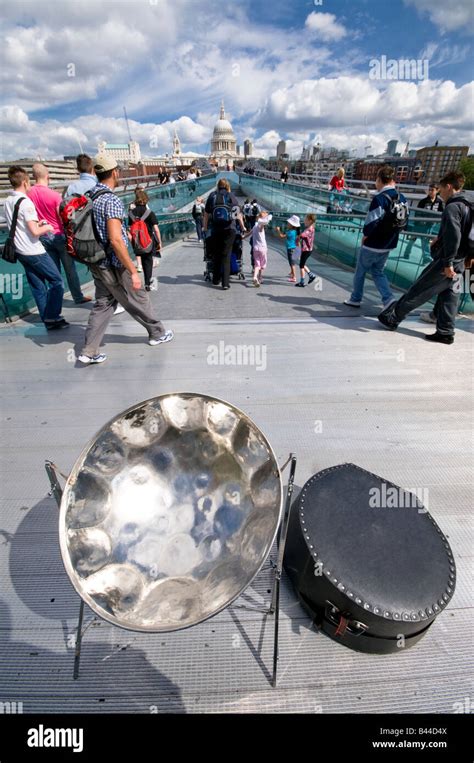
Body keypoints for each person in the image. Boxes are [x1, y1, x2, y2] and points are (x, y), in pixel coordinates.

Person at [78, 154, 173, 365]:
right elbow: (115, 239)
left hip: (94, 260)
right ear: (114, 173)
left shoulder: (88, 196)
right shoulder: (110, 199)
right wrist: (132, 269)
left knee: (103, 304)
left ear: (95, 173)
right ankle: (157, 333)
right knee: (137, 297)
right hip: (113, 262)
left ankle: (89, 351)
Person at [378, 171, 471, 344]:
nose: (440, 192)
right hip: (463, 259)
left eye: (441, 188)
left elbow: (454, 236)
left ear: (448, 186)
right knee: (451, 295)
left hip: (448, 260)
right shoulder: (468, 205)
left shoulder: (452, 207)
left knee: (421, 288)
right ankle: (445, 331)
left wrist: (448, 261)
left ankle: (393, 317)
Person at [4, 166, 66, 330]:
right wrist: (46, 227)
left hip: (20, 250)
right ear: (25, 182)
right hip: (34, 251)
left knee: (37, 285)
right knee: (57, 281)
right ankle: (53, 316)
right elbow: (35, 231)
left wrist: (37, 224)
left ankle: (47, 319)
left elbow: (21, 226)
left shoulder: (8, 201)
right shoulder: (26, 203)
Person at [344, 165, 407, 309]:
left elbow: (371, 222)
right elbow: (403, 221)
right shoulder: (402, 197)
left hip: (373, 244)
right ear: (393, 180)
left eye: (376, 181)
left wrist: (366, 235)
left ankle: (355, 298)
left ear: (379, 180)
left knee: (360, 272)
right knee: (378, 272)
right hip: (389, 244)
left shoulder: (379, 199)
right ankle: (388, 299)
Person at [27, 163, 91, 305]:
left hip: (42, 236)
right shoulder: (54, 195)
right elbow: (64, 217)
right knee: (70, 269)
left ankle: (56, 300)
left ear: (33, 176)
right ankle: (78, 297)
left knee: (53, 272)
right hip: (58, 235)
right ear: (47, 176)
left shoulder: (29, 194)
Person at [202, 178, 245, 290]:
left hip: (216, 229)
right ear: (227, 186)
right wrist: (242, 226)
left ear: (218, 186)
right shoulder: (231, 196)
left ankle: (216, 279)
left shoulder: (212, 196)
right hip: (229, 229)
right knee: (226, 255)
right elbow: (238, 214)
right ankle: (225, 283)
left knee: (216, 254)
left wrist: (205, 227)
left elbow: (206, 214)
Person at [128, 188, 162, 291]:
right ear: (146, 199)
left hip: (137, 242)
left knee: (143, 260)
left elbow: (129, 230)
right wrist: (159, 242)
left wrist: (133, 243)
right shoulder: (149, 213)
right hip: (149, 242)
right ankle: (148, 283)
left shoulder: (131, 213)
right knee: (148, 262)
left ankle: (147, 282)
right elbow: (156, 229)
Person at [402, 184, 444, 261]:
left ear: (437, 191)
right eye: (429, 190)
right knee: (412, 240)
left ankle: (426, 257)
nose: (430, 191)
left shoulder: (439, 202)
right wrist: (419, 221)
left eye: (432, 190)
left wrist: (436, 221)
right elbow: (417, 213)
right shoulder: (423, 201)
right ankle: (406, 253)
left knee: (425, 241)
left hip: (429, 225)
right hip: (418, 225)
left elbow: (441, 213)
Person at [243, 210, 272, 287]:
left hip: (255, 248)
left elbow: (248, 234)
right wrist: (266, 220)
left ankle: (255, 277)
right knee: (262, 265)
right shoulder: (260, 226)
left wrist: (242, 237)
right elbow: (262, 226)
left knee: (257, 264)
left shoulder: (254, 226)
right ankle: (260, 277)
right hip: (263, 248)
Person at [276, 215, 301, 282]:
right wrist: (299, 251)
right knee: (292, 262)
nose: (287, 224)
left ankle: (294, 277)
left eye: (288, 223)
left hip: (290, 249)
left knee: (292, 263)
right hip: (295, 248)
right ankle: (291, 272)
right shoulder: (296, 231)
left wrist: (278, 230)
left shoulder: (289, 232)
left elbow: (281, 236)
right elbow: (298, 241)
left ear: (292, 225)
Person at [296, 214, 317, 287]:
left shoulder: (309, 229)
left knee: (301, 266)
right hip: (307, 249)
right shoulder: (312, 228)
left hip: (306, 250)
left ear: (310, 221)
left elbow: (302, 235)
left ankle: (302, 282)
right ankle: (311, 275)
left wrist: (298, 231)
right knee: (302, 264)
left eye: (305, 220)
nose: (304, 221)